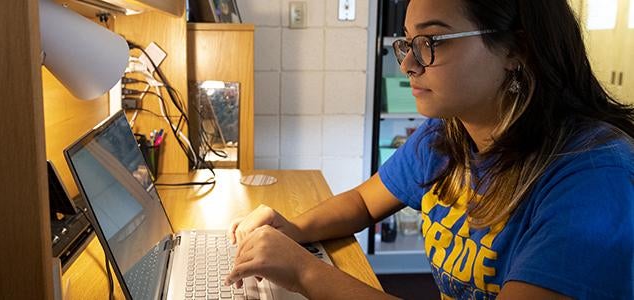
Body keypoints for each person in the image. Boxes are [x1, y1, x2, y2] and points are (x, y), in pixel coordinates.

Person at [224, 0, 634, 298]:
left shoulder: (593, 178)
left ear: (516, 50)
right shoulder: (447, 133)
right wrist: (292, 230)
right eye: (407, 42)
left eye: (433, 40)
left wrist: (303, 272)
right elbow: (364, 204)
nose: (407, 65)